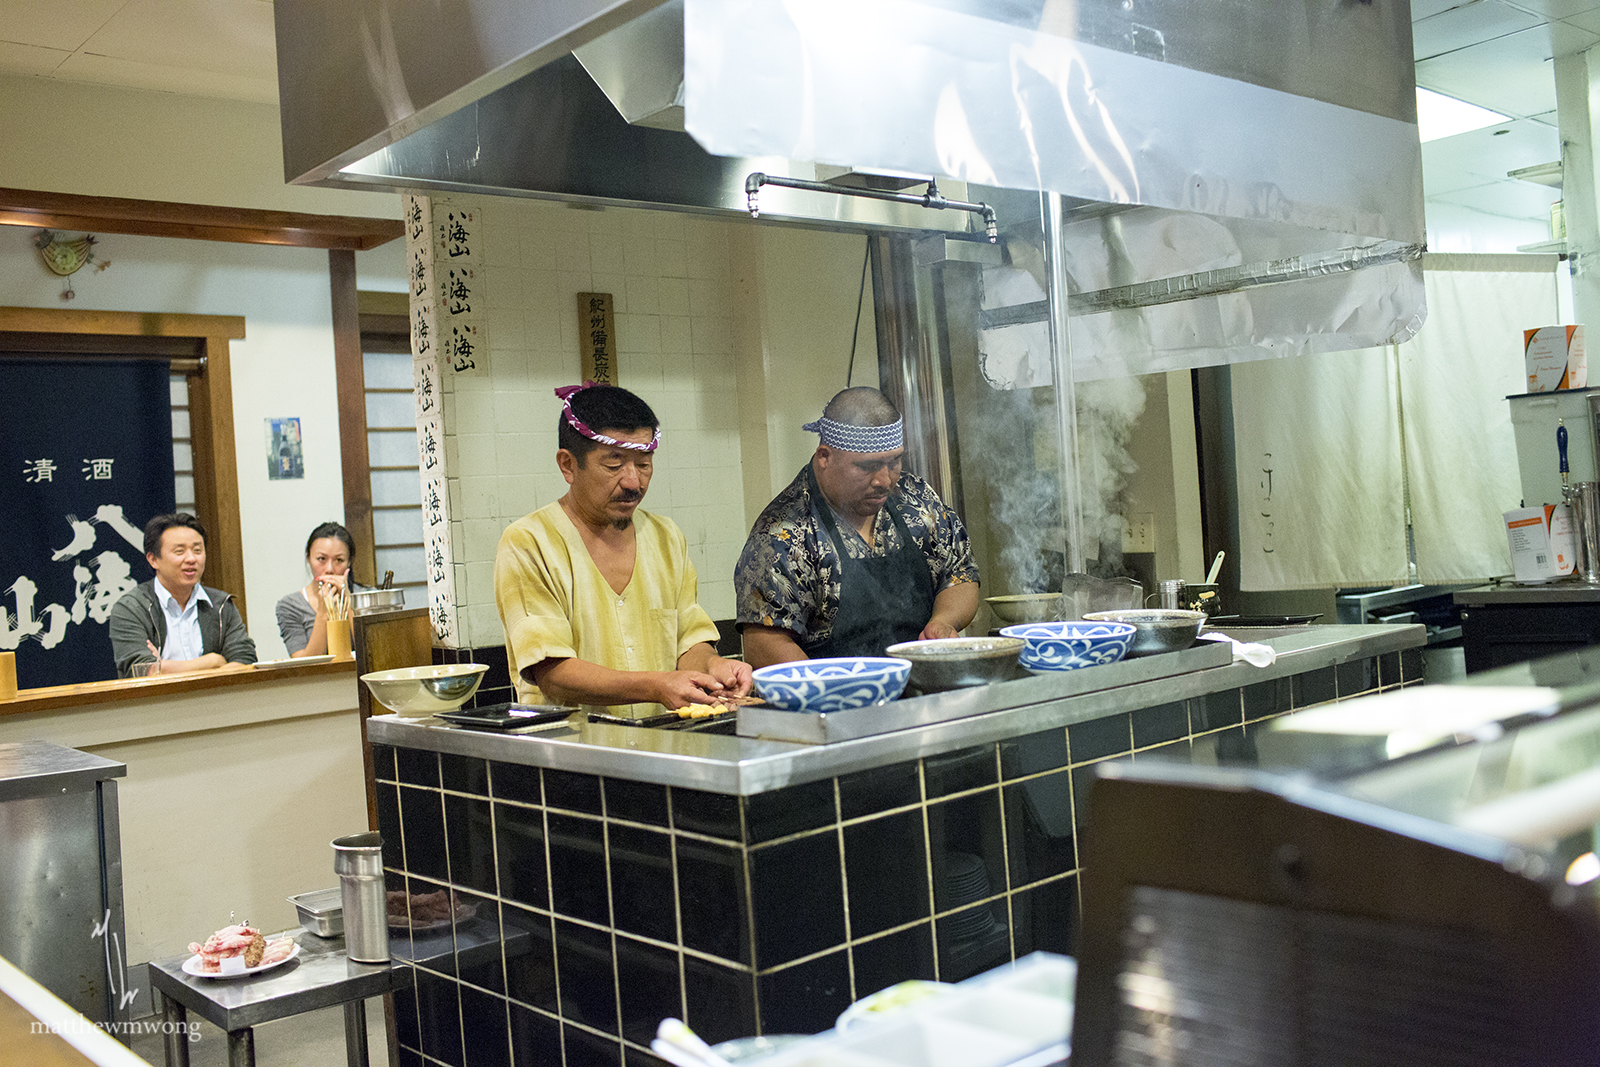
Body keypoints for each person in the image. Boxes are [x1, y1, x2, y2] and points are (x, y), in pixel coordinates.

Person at [494, 381, 752, 715]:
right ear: (568, 465)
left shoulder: (666, 537)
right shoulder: (529, 543)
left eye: (644, 463)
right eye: (614, 464)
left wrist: (713, 667)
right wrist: (655, 686)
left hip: (663, 749)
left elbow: (688, 639)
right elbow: (553, 673)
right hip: (570, 756)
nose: (633, 482)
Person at [736, 387, 980, 667]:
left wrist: (944, 621)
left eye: (894, 462)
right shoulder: (784, 534)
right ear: (825, 456)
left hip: (923, 693)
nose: (885, 480)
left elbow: (960, 572)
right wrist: (840, 690)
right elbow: (764, 644)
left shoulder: (916, 499)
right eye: (868, 466)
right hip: (835, 701)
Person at [109, 513, 257, 678]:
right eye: (179, 551)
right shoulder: (131, 608)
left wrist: (163, 667)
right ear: (153, 560)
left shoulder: (221, 605)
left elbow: (245, 660)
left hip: (215, 700)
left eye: (197, 550)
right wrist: (213, 661)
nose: (191, 559)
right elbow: (141, 670)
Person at [276, 521, 363, 657]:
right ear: (309, 558)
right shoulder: (290, 605)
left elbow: (373, 651)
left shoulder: (365, 596)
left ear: (349, 562)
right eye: (321, 559)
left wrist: (349, 603)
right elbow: (303, 666)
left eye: (339, 560)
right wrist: (323, 612)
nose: (329, 569)